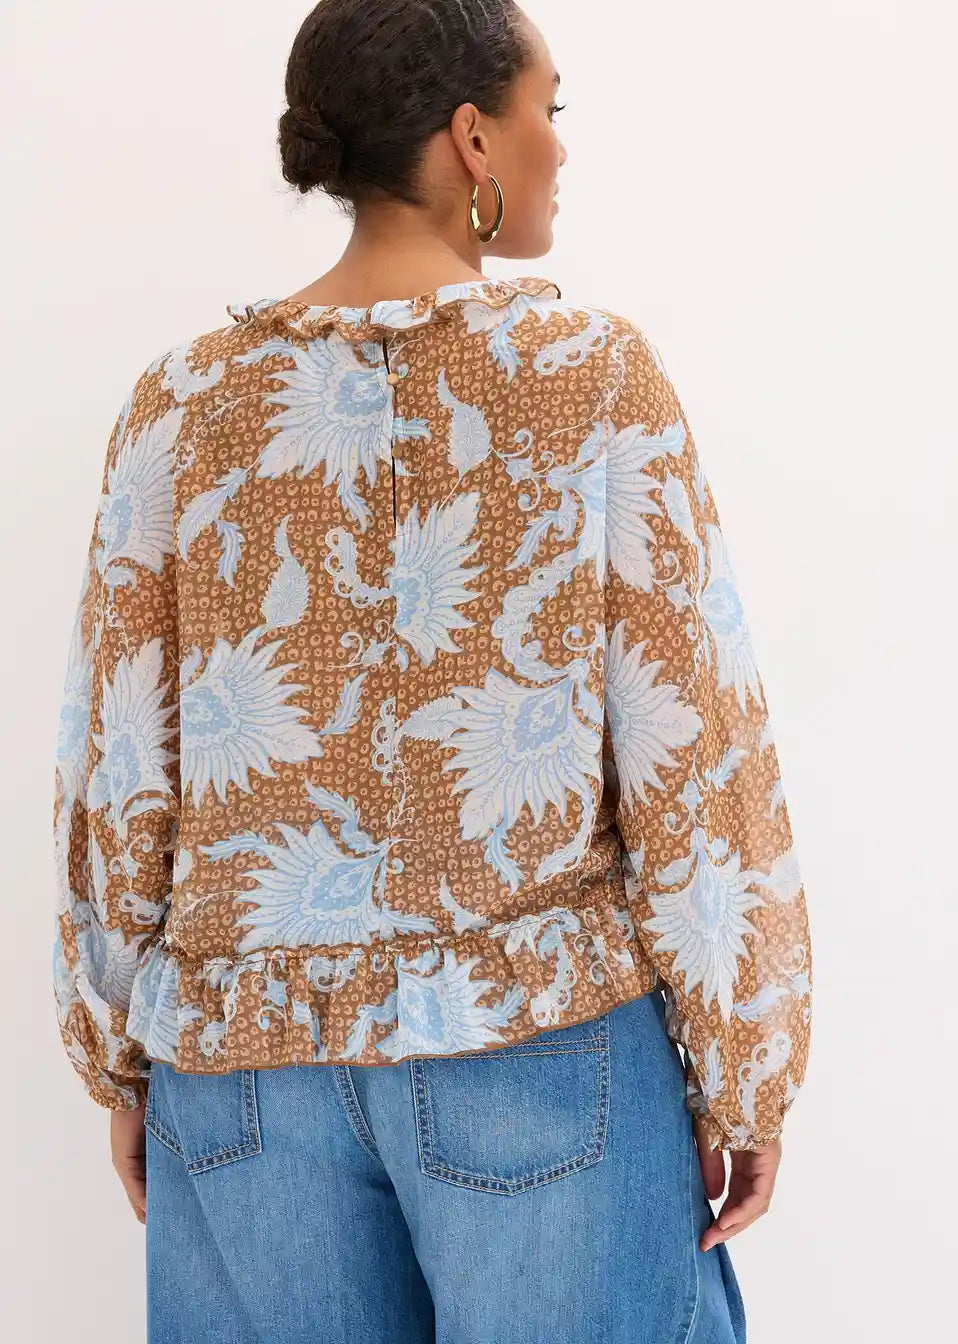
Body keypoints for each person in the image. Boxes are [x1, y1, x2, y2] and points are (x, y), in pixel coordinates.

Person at [50, 2, 812, 1340]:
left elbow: (117, 760)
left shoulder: (179, 404)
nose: (559, 148)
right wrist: (749, 1060)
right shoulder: (589, 377)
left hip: (241, 1074)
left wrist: (119, 1052)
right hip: (537, 1055)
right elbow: (694, 744)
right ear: (473, 139)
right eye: (546, 112)